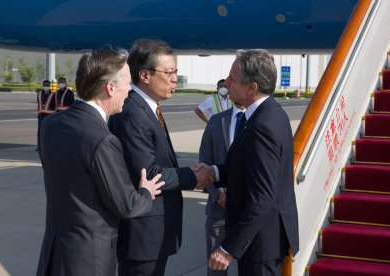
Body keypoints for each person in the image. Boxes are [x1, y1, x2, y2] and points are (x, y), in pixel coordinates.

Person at [36, 48, 165, 276]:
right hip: (88, 260)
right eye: (127, 83)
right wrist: (145, 193)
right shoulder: (102, 139)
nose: (129, 90)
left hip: (55, 253)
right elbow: (126, 205)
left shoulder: (50, 125)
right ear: (110, 87)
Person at [108, 38, 211, 276]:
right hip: (142, 234)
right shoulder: (132, 113)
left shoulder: (148, 108)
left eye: (176, 72)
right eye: (169, 72)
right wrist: (194, 176)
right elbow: (148, 173)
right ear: (145, 75)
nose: (175, 78)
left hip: (153, 232)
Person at [203, 49, 299, 275]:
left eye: (232, 79)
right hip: (262, 239)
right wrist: (214, 171)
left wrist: (228, 248)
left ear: (251, 88)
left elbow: (263, 198)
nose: (226, 83)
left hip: (261, 243)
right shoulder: (268, 113)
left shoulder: (262, 125)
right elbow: (248, 169)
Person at [199, 102, 245, 276]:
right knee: (215, 268)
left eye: (232, 81)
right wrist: (219, 194)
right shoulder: (216, 121)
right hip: (219, 208)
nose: (227, 85)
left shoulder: (259, 121)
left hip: (249, 211)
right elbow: (205, 161)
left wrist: (237, 196)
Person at [36, 79, 56, 151]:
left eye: (47, 85)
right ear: (43, 86)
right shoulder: (39, 93)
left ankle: (49, 145)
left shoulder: (53, 94)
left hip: (50, 115)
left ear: (50, 86)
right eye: (45, 85)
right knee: (40, 132)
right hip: (41, 115)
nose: (46, 87)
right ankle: (39, 146)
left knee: (49, 132)